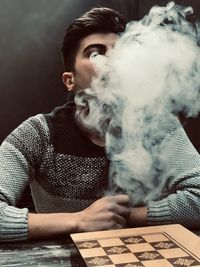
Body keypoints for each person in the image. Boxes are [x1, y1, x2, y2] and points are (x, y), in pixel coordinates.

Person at [0, 6, 200, 242]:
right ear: (69, 80)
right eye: (95, 53)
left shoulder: (158, 126)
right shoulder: (38, 134)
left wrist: (126, 216)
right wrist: (80, 220)